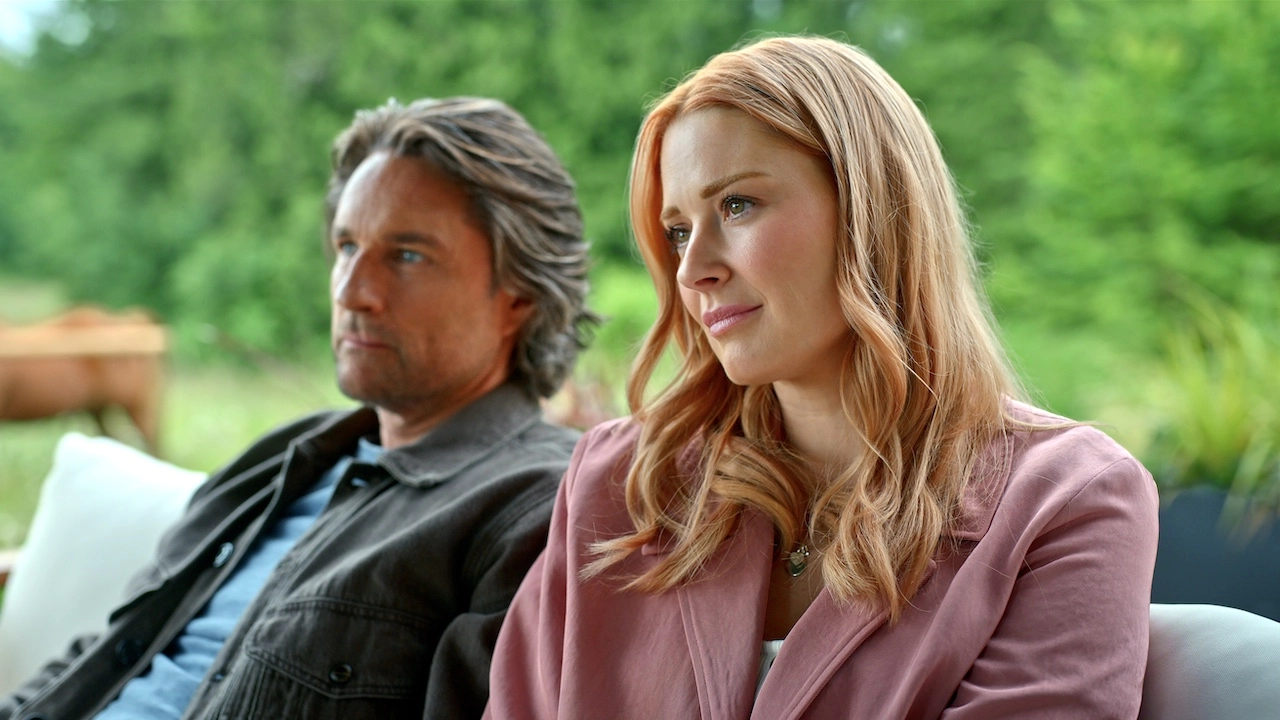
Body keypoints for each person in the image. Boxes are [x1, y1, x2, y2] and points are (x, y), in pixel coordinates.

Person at [486, 36, 1159, 719]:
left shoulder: (1068, 501)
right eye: (679, 231)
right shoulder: (617, 481)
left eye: (738, 205)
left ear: (870, 209)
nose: (693, 270)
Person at [1, 96, 596, 720]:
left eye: (407, 255)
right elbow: (108, 655)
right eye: (347, 247)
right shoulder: (291, 454)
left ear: (519, 297)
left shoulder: (536, 505)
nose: (352, 291)